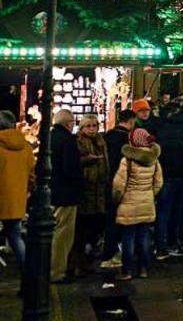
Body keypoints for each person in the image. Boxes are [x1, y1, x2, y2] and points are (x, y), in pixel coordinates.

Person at [112, 127, 163, 280]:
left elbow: (118, 185)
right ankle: (143, 269)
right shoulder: (154, 160)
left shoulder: (127, 160)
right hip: (147, 201)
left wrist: (117, 199)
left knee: (128, 237)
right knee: (144, 236)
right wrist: (150, 194)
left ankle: (127, 271)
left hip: (129, 202)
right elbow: (159, 182)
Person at [155, 104, 183, 259]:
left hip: (166, 175)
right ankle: (177, 242)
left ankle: (161, 245)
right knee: (180, 212)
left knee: (163, 211)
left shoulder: (164, 128)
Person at [70, 114, 109, 277]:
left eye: (94, 126)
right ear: (82, 127)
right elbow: (74, 164)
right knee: (81, 230)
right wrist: (86, 161)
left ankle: (90, 261)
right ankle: (78, 263)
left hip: (99, 190)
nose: (92, 129)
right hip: (85, 189)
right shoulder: (77, 142)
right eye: (89, 126)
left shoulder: (101, 141)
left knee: (95, 228)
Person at [100, 109, 137, 268]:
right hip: (123, 183)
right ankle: (116, 254)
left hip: (108, 182)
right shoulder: (128, 140)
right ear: (131, 121)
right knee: (121, 222)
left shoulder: (107, 137)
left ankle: (109, 252)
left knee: (110, 219)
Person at [50, 108, 83, 283]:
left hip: (54, 191)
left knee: (55, 231)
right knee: (63, 235)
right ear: (68, 124)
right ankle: (57, 271)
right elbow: (70, 169)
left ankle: (52, 269)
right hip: (67, 194)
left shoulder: (50, 137)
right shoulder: (68, 141)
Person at [0, 110, 34, 269]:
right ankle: (29, 275)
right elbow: (32, 173)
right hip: (16, 198)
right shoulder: (25, 147)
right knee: (15, 235)